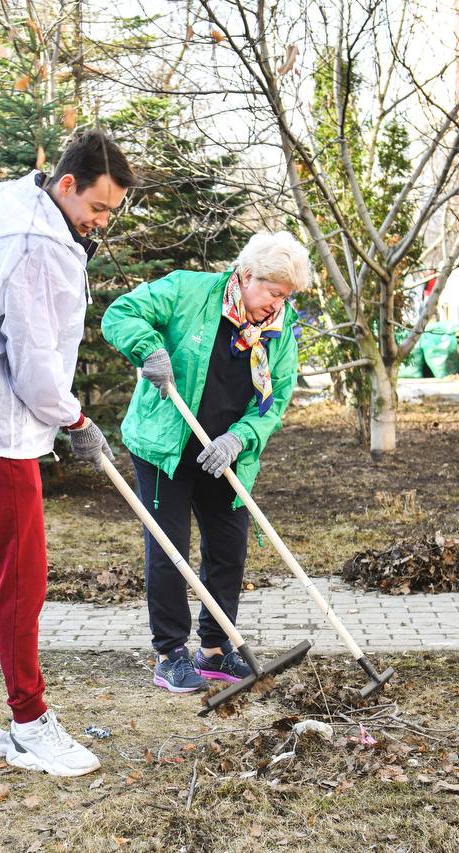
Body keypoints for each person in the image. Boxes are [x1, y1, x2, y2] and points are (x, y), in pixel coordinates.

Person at [0, 129, 133, 777]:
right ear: (65, 184)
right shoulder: (38, 244)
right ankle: (30, 723)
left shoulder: (10, 197)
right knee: (22, 577)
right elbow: (37, 368)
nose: (100, 222)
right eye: (96, 208)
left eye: (110, 213)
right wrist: (77, 420)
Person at [101, 231, 309, 693]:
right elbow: (121, 313)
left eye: (286, 296)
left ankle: (215, 651)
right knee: (169, 549)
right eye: (274, 293)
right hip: (166, 443)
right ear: (247, 275)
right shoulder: (188, 290)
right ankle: (170, 654)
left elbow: (277, 398)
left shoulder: (280, 324)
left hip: (225, 450)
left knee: (229, 548)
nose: (278, 305)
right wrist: (149, 350)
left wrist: (240, 438)